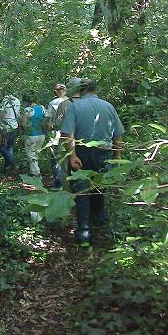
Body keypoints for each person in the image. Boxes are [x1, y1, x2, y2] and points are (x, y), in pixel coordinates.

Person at [61, 78, 124, 243]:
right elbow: (117, 135)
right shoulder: (108, 106)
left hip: (82, 153)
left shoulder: (75, 106)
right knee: (99, 188)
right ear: (94, 90)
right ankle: (99, 221)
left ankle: (84, 232)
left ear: (81, 90)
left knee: (82, 192)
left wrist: (73, 155)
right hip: (104, 153)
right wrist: (117, 157)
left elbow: (68, 134)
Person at [46, 83, 68, 190]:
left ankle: (58, 183)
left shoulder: (53, 103)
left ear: (56, 91)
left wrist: (47, 132)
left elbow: (49, 123)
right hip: (71, 135)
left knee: (55, 158)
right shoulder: (72, 102)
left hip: (56, 134)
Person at [21, 93, 46, 177]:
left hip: (31, 134)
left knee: (31, 154)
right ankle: (32, 172)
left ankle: (37, 173)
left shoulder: (28, 110)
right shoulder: (42, 107)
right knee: (36, 154)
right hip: (41, 134)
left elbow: (23, 124)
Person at [0, 94, 21, 172]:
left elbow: (1, 114)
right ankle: (8, 168)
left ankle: (13, 163)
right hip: (14, 126)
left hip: (5, 127)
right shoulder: (17, 100)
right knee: (10, 147)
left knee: (1, 147)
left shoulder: (4, 100)